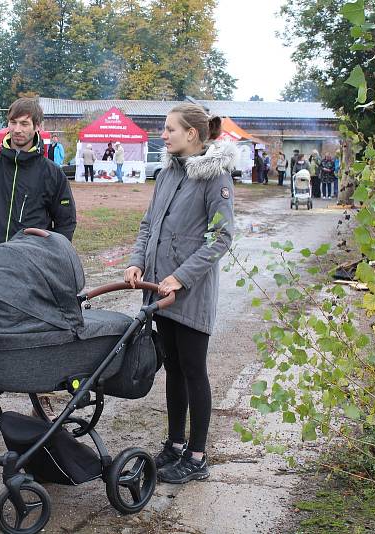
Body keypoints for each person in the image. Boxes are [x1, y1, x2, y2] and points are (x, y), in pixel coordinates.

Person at [124, 103, 235, 485]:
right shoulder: (166, 174)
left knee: (193, 370)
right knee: (171, 368)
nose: (163, 134)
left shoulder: (215, 178)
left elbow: (222, 237)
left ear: (191, 134)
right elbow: (147, 225)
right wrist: (138, 261)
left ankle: (197, 456)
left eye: (170, 129)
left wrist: (181, 278)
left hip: (189, 294)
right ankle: (174, 445)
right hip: (158, 291)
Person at [0, 97, 77, 427]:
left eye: (24, 123)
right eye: (12, 123)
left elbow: (65, 222)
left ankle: (42, 402)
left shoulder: (51, 173)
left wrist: (49, 258)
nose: (17, 129)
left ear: (37, 127)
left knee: (37, 336)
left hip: (33, 271)